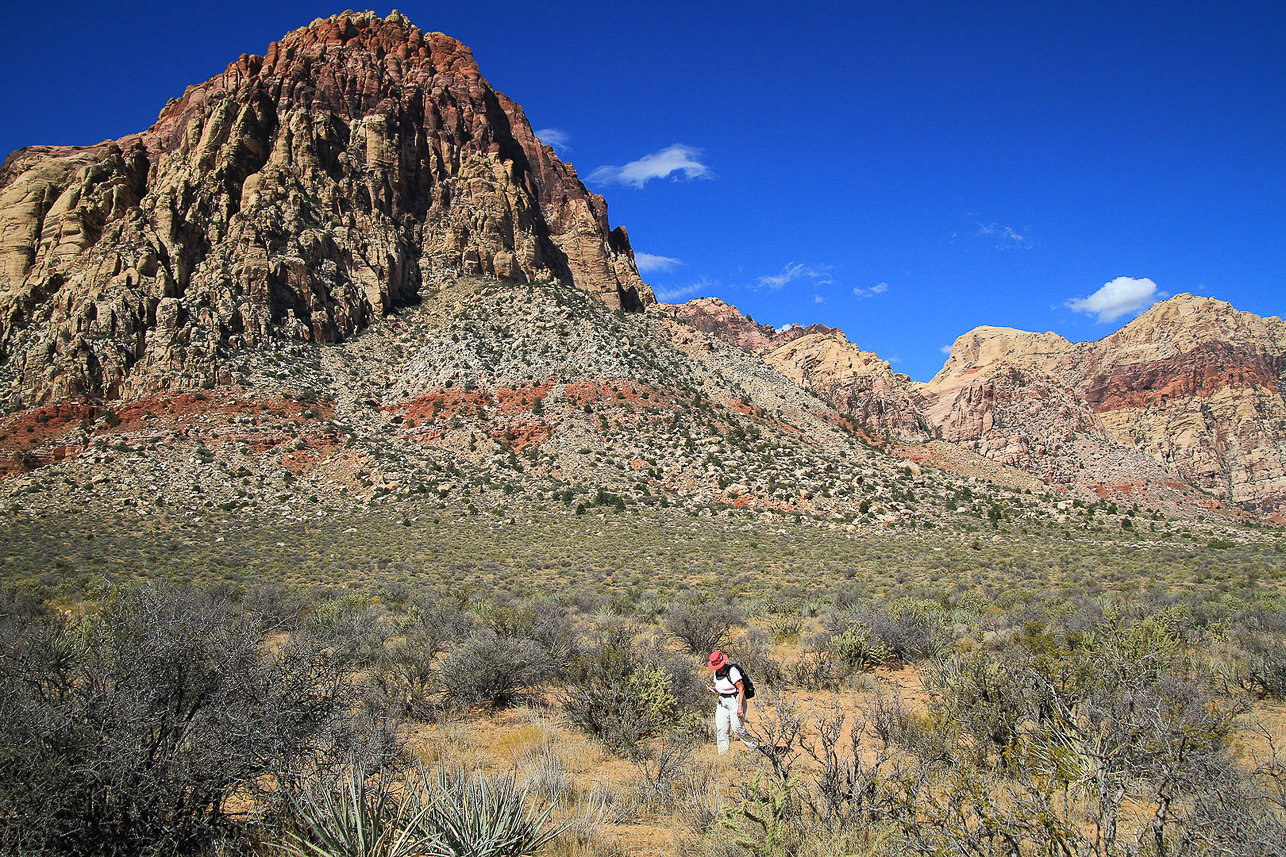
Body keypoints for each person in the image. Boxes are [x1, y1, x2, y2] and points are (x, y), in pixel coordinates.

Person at [707, 650, 755, 753]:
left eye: (719, 666)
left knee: (737, 727)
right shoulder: (716, 673)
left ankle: (754, 747)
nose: (718, 669)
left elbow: (741, 689)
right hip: (722, 701)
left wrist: (739, 707)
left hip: (736, 699)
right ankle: (723, 754)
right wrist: (714, 689)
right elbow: (721, 687)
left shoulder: (732, 671)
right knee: (721, 728)